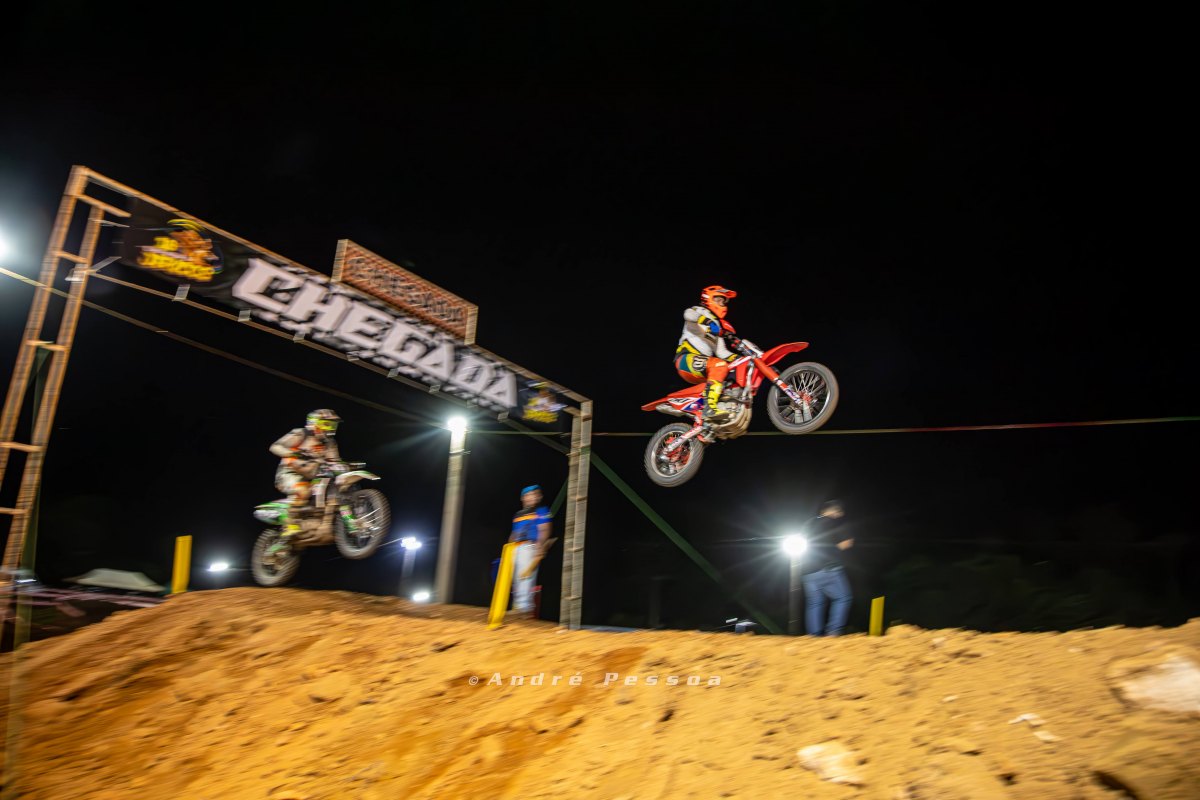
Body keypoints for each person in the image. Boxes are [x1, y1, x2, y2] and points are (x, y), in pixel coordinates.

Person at [268, 409, 343, 542]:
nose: (330, 428)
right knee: (304, 491)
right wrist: (293, 453)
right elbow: (275, 447)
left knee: (331, 492)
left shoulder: (330, 443)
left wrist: (343, 468)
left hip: (312, 478)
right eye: (326, 424)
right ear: (315, 423)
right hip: (289, 473)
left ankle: (318, 524)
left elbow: (335, 461)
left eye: (333, 425)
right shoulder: (301, 434)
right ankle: (290, 525)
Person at [674, 285, 742, 421]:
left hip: (702, 365)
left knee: (730, 374)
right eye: (719, 300)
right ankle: (709, 408)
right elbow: (688, 314)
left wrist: (740, 359)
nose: (722, 304)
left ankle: (721, 412)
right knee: (719, 365)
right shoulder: (699, 311)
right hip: (686, 359)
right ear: (708, 298)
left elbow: (722, 352)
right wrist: (707, 321)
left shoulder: (716, 325)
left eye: (724, 301)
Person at [802, 500, 855, 636]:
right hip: (828, 568)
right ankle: (833, 631)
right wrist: (834, 548)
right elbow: (847, 543)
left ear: (822, 511)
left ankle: (814, 635)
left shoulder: (808, 524)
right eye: (840, 513)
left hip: (807, 571)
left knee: (815, 603)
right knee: (843, 597)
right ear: (836, 512)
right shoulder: (836, 522)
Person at [509, 484, 552, 617]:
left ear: (539, 497)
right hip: (516, 547)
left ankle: (525, 608)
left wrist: (540, 545)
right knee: (516, 577)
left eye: (535, 495)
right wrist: (508, 549)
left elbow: (544, 529)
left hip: (530, 546)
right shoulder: (518, 514)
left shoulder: (542, 511)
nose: (532, 497)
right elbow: (514, 533)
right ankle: (518, 606)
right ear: (523, 498)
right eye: (528, 495)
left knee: (526, 576)